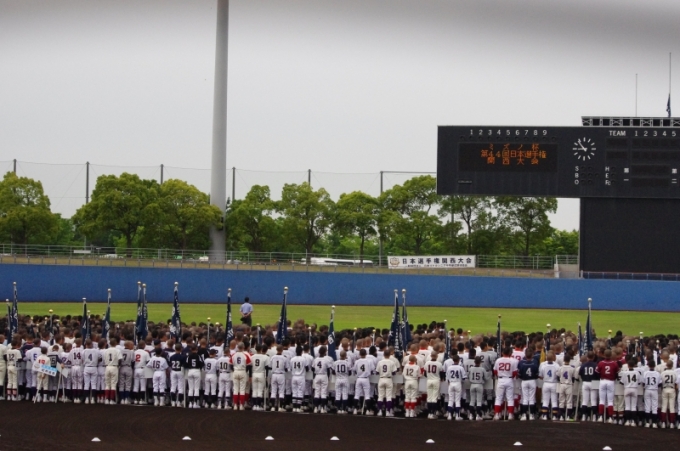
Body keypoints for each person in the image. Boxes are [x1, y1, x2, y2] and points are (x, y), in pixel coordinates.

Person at [493, 347, 518, 420]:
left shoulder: (498, 360)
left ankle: (497, 415)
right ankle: (510, 415)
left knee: (498, 398)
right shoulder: (512, 361)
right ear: (510, 353)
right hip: (509, 379)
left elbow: (495, 371)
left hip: (501, 379)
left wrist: (500, 375)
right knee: (510, 398)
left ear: (502, 353)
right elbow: (515, 372)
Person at [518, 349, 539, 421]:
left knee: (525, 398)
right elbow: (537, 374)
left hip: (524, 381)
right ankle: (531, 415)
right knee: (532, 398)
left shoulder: (521, 363)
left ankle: (524, 414)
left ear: (525, 355)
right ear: (532, 355)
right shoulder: (535, 363)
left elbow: (519, 374)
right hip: (532, 380)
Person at [231, 342, 252, 410]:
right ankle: (241, 405)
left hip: (235, 371)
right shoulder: (245, 355)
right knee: (242, 389)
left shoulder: (233, 355)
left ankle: (235, 405)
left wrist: (234, 370)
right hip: (243, 371)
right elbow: (249, 365)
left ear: (237, 347)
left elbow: (230, 364)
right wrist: (245, 371)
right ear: (243, 347)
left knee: (235, 389)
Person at [445, 354, 466, 420]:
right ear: (459, 360)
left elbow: (447, 378)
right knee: (457, 400)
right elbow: (464, 377)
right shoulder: (460, 367)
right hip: (458, 383)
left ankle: (449, 415)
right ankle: (457, 416)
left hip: (451, 383)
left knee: (450, 400)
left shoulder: (449, 368)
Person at [557, 354, 576, 421]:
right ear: (569, 360)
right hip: (569, 385)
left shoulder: (560, 368)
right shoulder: (572, 368)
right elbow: (573, 378)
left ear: (563, 359)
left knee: (561, 401)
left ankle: (561, 416)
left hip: (562, 384)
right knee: (569, 401)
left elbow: (558, 377)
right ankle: (568, 416)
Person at [103, 338, 122, 405]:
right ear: (116, 343)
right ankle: (111, 399)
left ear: (109, 343)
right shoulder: (117, 350)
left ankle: (107, 399)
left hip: (107, 367)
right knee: (113, 384)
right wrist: (118, 366)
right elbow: (120, 360)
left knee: (107, 384)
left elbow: (104, 359)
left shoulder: (106, 350)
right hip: (114, 367)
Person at [468, 356, 487, 421]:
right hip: (479, 384)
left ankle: (471, 415)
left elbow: (468, 376)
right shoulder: (482, 369)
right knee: (479, 401)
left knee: (472, 401)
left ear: (474, 362)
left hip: (472, 384)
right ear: (480, 362)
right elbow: (486, 378)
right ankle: (478, 415)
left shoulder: (471, 368)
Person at [424, 351, 442, 420]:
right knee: (434, 398)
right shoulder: (439, 364)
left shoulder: (427, 363)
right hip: (436, 380)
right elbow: (442, 374)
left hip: (429, 380)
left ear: (431, 356)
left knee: (429, 397)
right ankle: (433, 413)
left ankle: (429, 413)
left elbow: (425, 374)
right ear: (437, 356)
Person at [642, 360, 660, 428]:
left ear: (648, 365)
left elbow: (643, 383)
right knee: (654, 407)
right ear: (655, 365)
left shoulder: (645, 373)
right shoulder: (657, 373)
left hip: (647, 390)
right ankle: (654, 423)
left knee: (647, 406)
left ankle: (647, 423)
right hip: (654, 390)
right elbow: (660, 384)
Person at [290, 346, 309, 412]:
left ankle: (294, 407)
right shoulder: (303, 359)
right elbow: (307, 368)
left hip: (294, 376)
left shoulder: (292, 359)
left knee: (294, 392)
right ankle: (298, 407)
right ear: (301, 352)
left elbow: (290, 368)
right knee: (300, 391)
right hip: (301, 376)